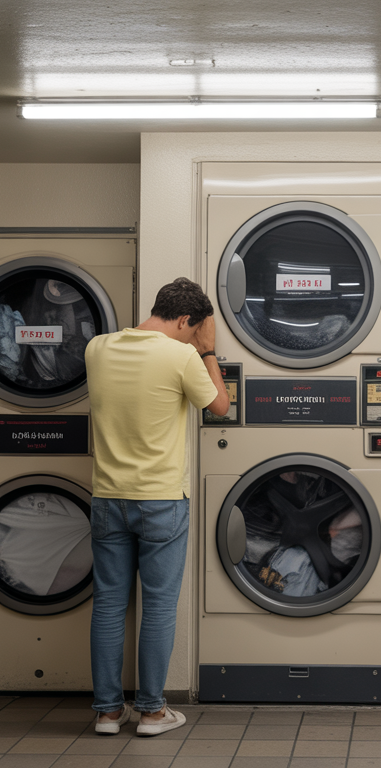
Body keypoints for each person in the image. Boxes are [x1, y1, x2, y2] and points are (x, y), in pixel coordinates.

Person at [85, 277, 229, 736]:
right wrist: (206, 351)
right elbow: (221, 406)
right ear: (186, 320)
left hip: (108, 498)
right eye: (195, 330)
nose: (194, 338)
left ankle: (108, 712)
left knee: (108, 604)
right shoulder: (182, 355)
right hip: (161, 501)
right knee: (160, 606)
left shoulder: (98, 348)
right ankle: (150, 712)